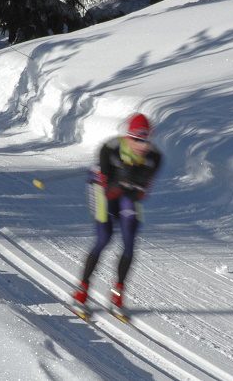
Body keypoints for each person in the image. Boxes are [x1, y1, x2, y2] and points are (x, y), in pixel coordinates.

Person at [72, 113, 162, 318]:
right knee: (105, 237)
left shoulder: (154, 158)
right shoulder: (110, 149)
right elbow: (108, 190)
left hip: (127, 193)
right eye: (136, 139)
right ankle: (81, 292)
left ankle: (118, 295)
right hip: (102, 190)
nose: (141, 145)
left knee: (130, 238)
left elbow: (141, 193)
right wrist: (120, 177)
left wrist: (131, 179)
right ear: (127, 137)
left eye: (145, 140)